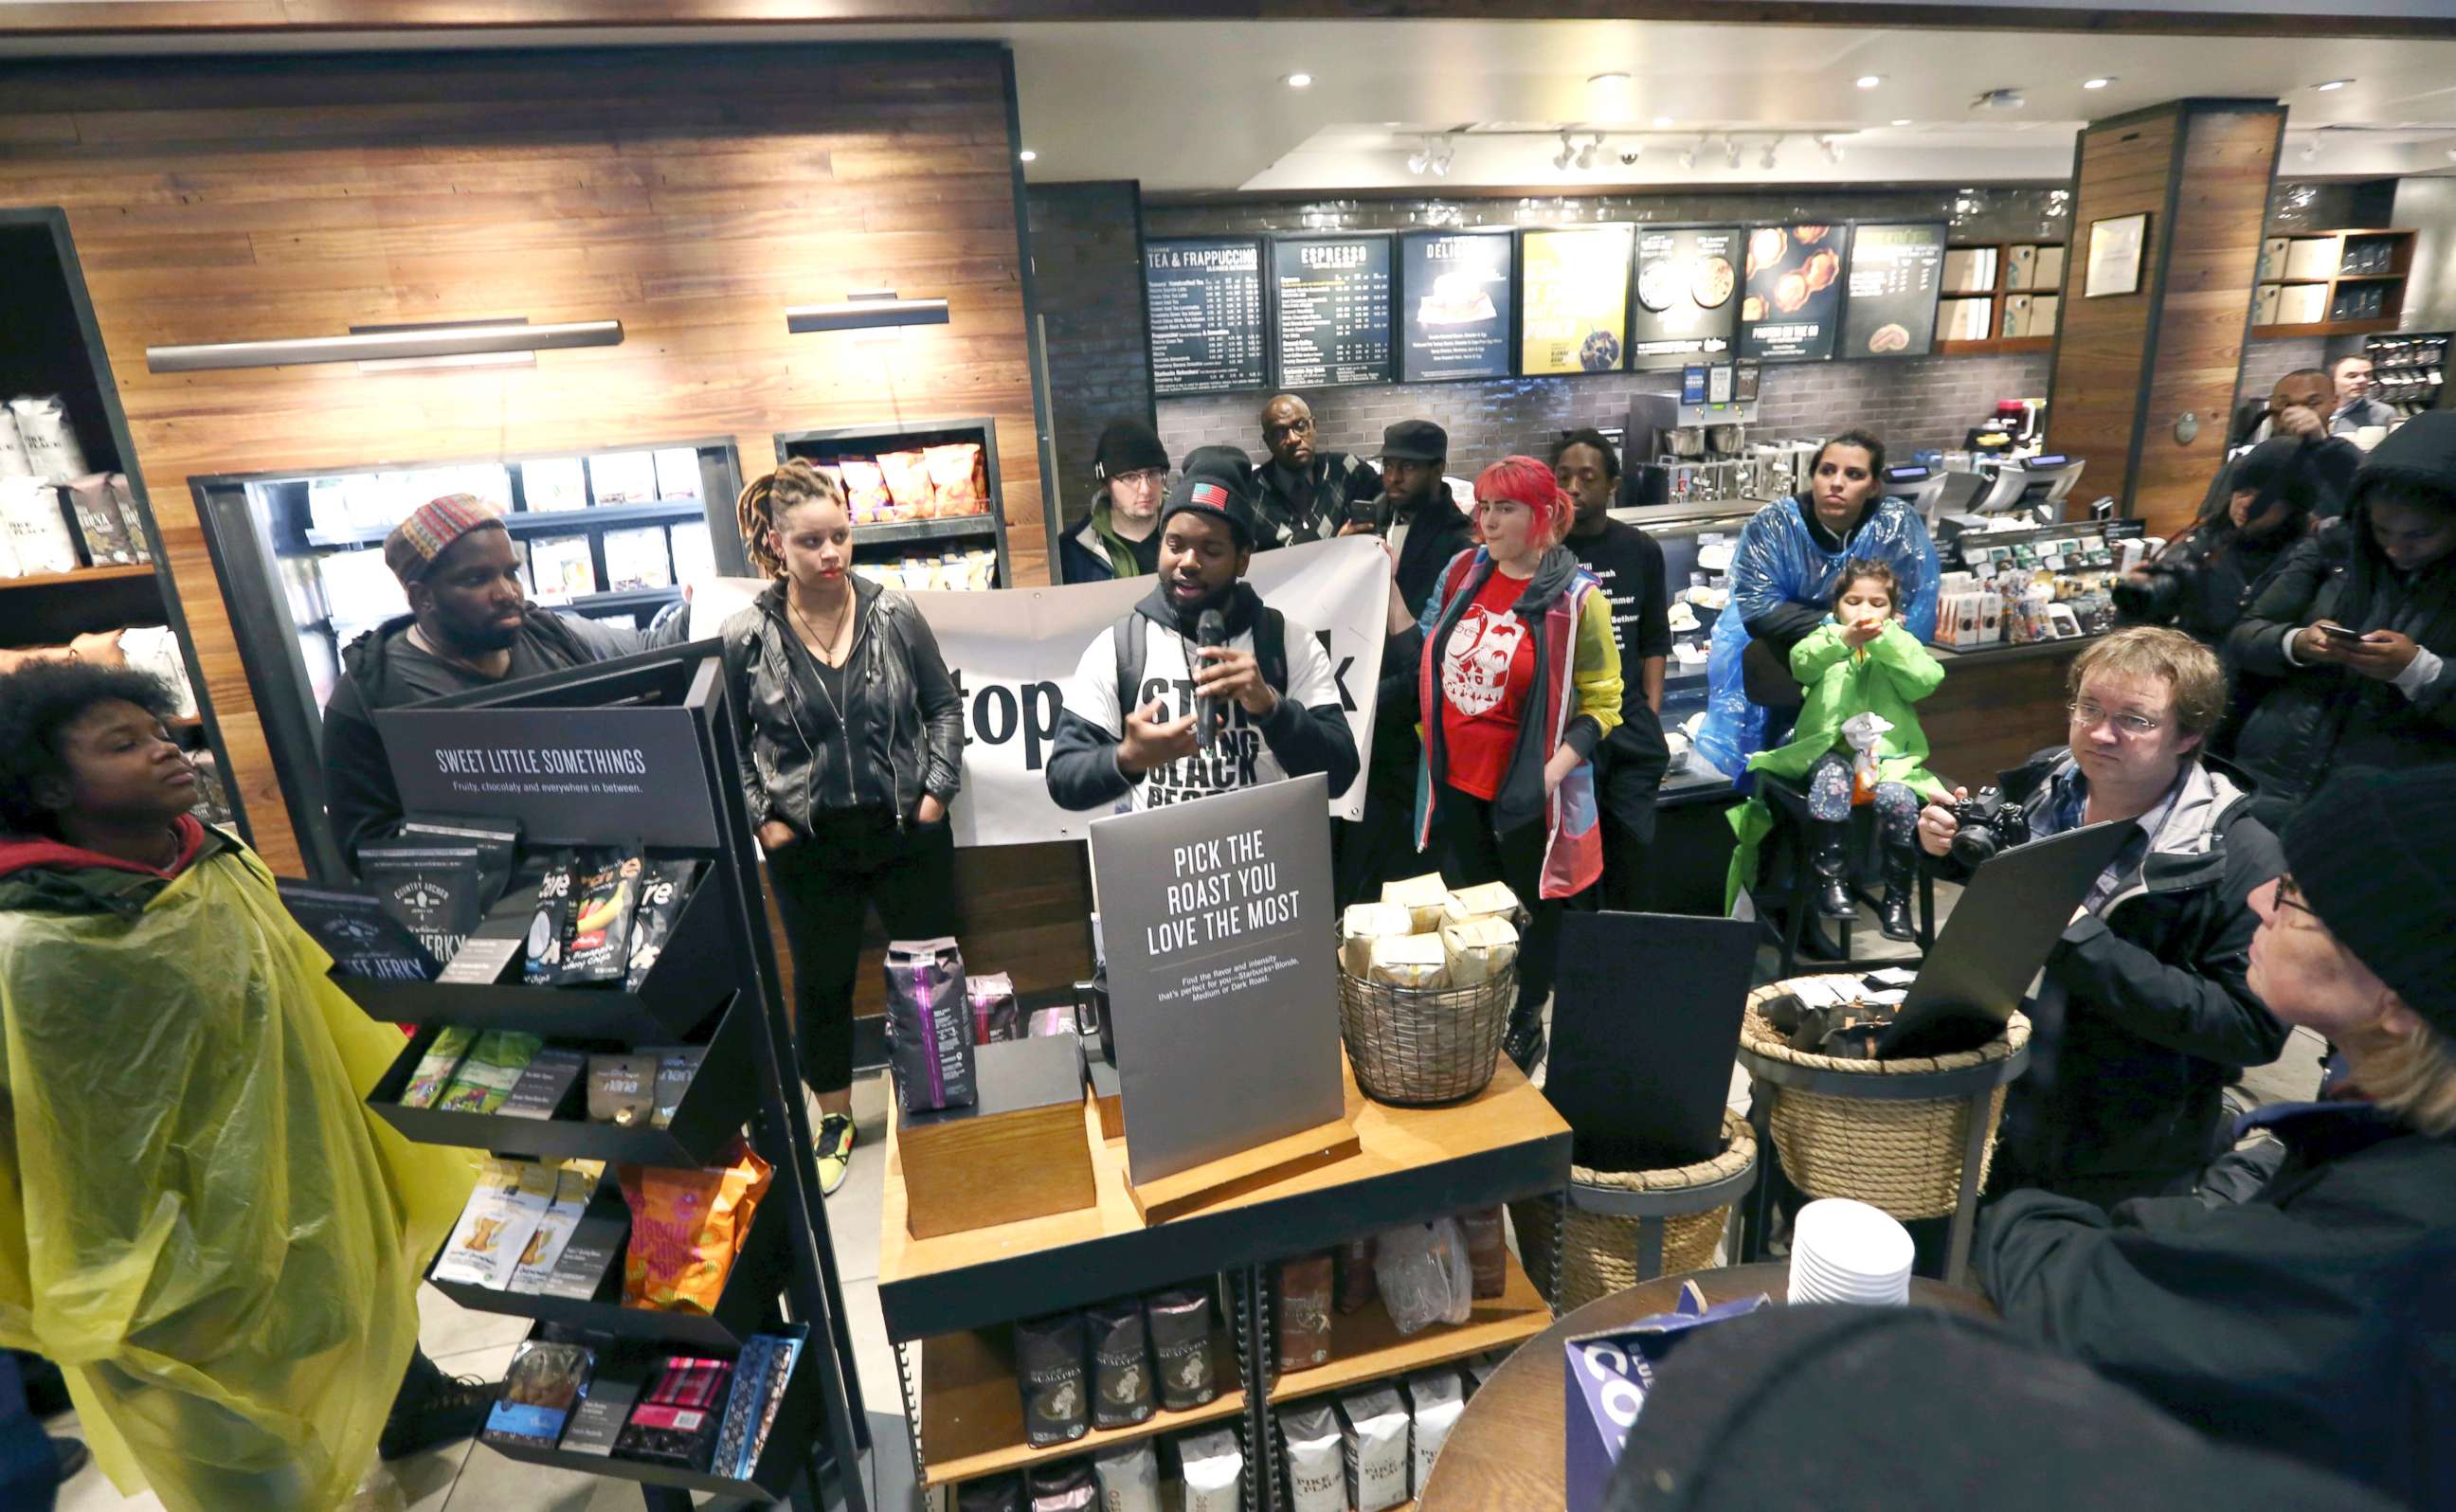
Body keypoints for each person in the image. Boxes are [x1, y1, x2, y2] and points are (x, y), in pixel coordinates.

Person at [0, 661, 472, 1512]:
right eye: (122, 744)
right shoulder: (37, 938)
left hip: (298, 1195)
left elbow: (311, 1018)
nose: (163, 749)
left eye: (156, 729)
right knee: (239, 1460)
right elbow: (59, 1140)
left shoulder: (218, 864)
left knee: (328, 1387)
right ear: (46, 786)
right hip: (159, 1261)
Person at [1977, 764, 2456, 1510]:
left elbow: (2080, 1297)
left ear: (2399, 995)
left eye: (2295, 897)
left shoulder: (2382, 1235)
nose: (2261, 899)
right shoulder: (2385, 1138)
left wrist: (2019, 1214)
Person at [1917, 628, 2288, 1207]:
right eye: (2088, 707)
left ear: (2188, 734)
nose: (2098, 733)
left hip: (2119, 1140)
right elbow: (1999, 888)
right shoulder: (2046, 781)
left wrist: (2078, 935)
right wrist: (1944, 847)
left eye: (2134, 720)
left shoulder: (2239, 856)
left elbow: (2249, 1028)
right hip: (1998, 1085)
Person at [720, 460, 966, 1196]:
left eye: (840, 538)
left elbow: (944, 705)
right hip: (809, 845)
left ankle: (943, 1101)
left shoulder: (893, 613)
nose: (830, 555)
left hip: (904, 832)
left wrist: (936, 793)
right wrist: (765, 818)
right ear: (776, 543)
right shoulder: (746, 635)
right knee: (822, 989)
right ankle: (834, 1119)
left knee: (931, 972)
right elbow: (730, 742)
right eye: (811, 543)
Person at [1383, 456, 1621, 1073]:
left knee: (1534, 907)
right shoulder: (1464, 570)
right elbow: (1424, 652)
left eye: (1504, 508)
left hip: (1524, 788)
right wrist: (1384, 586)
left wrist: (1546, 775)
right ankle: (1485, 1006)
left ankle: (1527, 1016)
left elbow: (1603, 704)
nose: (1486, 520)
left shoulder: (1576, 599)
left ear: (1541, 516)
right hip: (1454, 778)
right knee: (1478, 904)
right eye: (1483, 506)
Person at [321, 492, 681, 866]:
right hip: (488, 918)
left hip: (606, 894)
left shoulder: (550, 635)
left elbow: (656, 649)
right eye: (477, 579)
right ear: (422, 596)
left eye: (511, 572)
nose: (507, 593)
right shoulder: (367, 696)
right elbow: (367, 847)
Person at [1047, 446, 1359, 814]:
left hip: (1259, 859)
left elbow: (1340, 774)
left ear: (1242, 560)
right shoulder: (1120, 648)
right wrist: (1127, 757)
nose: (1188, 562)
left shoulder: (1289, 643)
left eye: (1211, 550)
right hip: (1162, 863)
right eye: (1175, 545)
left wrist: (1271, 708)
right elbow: (1064, 779)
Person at [2226, 411, 2456, 829]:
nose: (2396, 549)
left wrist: (2420, 671)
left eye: (2420, 535)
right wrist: (2297, 643)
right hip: (2270, 777)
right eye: (2383, 530)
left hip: (2385, 811)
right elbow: (2245, 635)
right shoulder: (2333, 546)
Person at [1692, 430, 1939, 780]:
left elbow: (1917, 615)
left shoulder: (1895, 526)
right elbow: (1759, 611)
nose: (1836, 483)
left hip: (1874, 689)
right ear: (1813, 476)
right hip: (1786, 678)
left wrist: (1872, 637)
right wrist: (1843, 630)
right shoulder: (1777, 525)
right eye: (1827, 471)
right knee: (1791, 780)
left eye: (1854, 475)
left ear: (1873, 486)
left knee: (1876, 781)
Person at [1727, 561, 1945, 942]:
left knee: (1899, 802)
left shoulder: (1901, 642)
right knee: (1831, 780)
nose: (1865, 611)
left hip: (1887, 759)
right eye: (1853, 601)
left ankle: (1897, 898)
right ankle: (1831, 880)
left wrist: (1887, 643)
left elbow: (1926, 681)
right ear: (1836, 608)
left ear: (1893, 611)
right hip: (1825, 751)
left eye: (1877, 603)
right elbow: (1802, 665)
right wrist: (1842, 639)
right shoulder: (1824, 637)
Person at [1331, 420, 1475, 910]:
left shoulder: (1459, 545)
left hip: (1409, 723)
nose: (1393, 476)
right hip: (1363, 709)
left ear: (1439, 470)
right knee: (1358, 864)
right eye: (1388, 465)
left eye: (1407, 467)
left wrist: (1373, 702)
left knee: (1407, 868)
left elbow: (1435, 652)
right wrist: (1340, 551)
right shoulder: (1372, 518)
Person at [1553, 428, 1673, 911]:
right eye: (1564, 477)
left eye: (1588, 477)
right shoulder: (1544, 554)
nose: (1574, 488)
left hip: (1628, 726)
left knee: (1633, 848)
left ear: (1612, 486)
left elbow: (1654, 638)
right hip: (1568, 731)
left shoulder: (1640, 549)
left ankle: (1628, 948)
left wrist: (1650, 711)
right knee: (1576, 859)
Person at [2117, 435, 2326, 652]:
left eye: (2263, 499)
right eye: (2243, 491)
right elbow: (2142, 625)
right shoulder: (2207, 540)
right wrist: (2138, 602)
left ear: (2293, 508)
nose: (2246, 504)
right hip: (2200, 671)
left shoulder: (2309, 559)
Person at [1253, 393, 1380, 549]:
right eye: (1279, 432)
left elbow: (1395, 503)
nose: (1293, 439)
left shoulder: (1348, 470)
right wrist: (1339, 546)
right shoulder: (1249, 492)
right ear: (1268, 441)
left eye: (1300, 426)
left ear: (1313, 426)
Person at [1059, 418, 1170, 584]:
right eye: (1130, 477)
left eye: (1153, 473)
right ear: (1106, 484)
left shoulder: (1190, 534)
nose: (1146, 489)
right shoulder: (1072, 550)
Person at [2329, 351, 2396, 436]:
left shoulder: (2383, 414)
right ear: (2333, 379)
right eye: (2352, 376)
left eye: (2367, 375)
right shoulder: (2317, 411)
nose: (2362, 380)